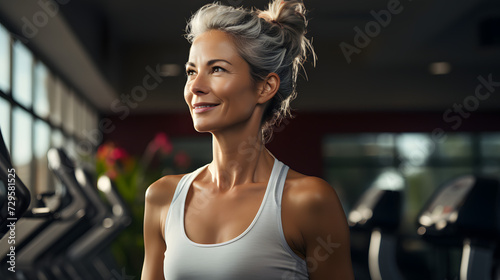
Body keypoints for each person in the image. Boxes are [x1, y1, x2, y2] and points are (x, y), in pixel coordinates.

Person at [142, 0, 354, 279]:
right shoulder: (163, 197)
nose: (195, 86)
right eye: (191, 71)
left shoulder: (308, 201)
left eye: (216, 69)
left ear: (265, 87)